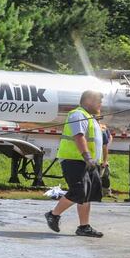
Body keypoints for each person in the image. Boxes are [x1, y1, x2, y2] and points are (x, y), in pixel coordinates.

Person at [45, 90, 105, 238]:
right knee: (79, 191)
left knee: (87, 195)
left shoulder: (91, 117)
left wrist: (98, 162)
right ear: (89, 100)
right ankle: (53, 214)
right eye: (98, 101)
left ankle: (83, 227)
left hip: (89, 162)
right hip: (75, 160)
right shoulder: (78, 114)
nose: (100, 104)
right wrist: (87, 157)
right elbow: (79, 137)